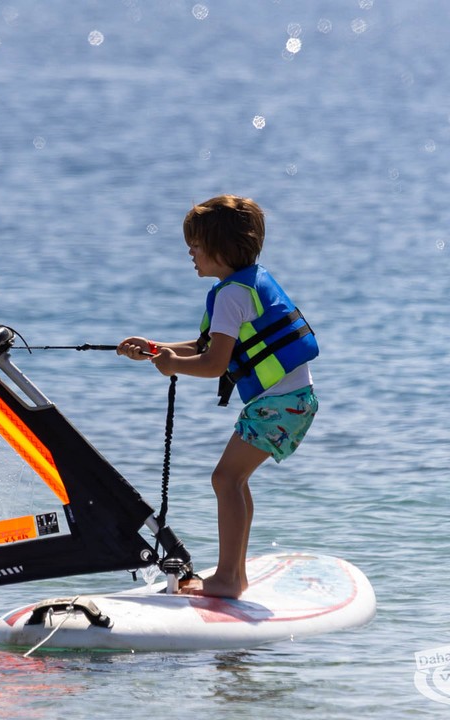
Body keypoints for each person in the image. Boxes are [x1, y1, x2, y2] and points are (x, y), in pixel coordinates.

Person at [117, 195, 319, 598]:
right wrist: (156, 350)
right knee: (233, 480)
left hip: (280, 404)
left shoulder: (230, 295)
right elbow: (205, 346)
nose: (190, 252)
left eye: (195, 244)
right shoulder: (241, 287)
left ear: (220, 249)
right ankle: (233, 576)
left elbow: (213, 364)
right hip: (290, 400)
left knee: (226, 479)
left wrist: (172, 365)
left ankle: (228, 578)